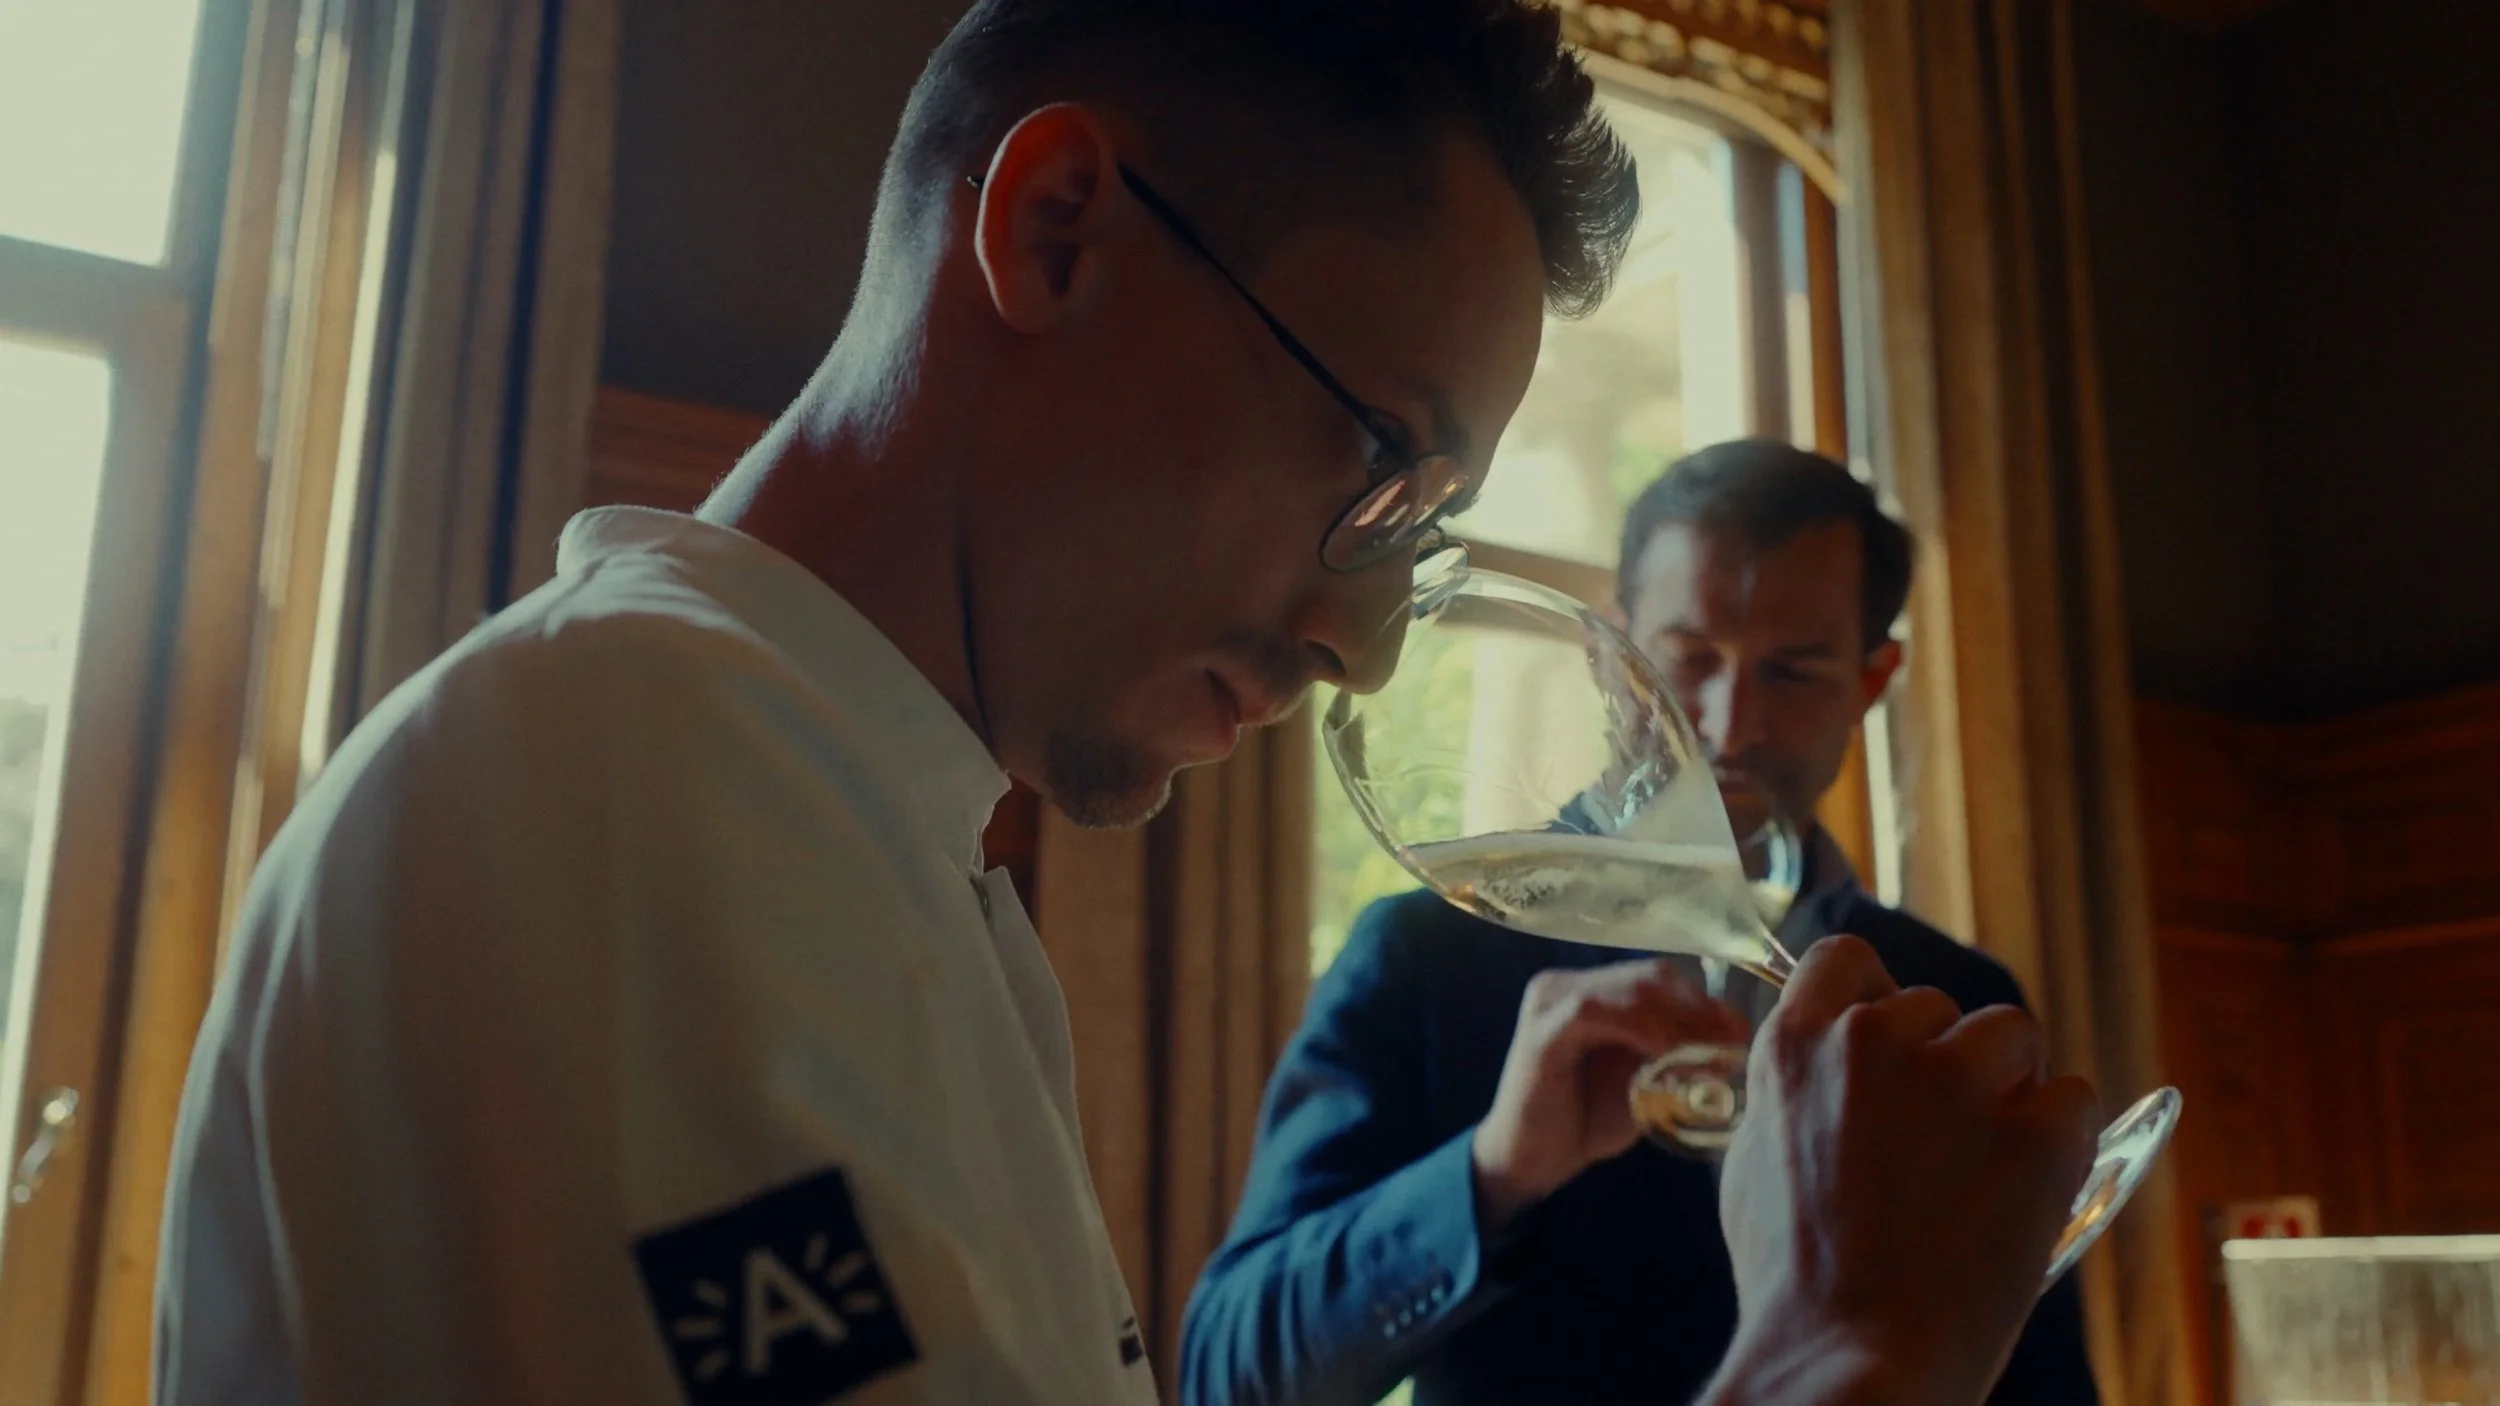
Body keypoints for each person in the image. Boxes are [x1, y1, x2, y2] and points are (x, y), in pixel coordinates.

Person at [150, 0, 2096, 1399]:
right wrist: (1840, 1357)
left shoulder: (895, 866)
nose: (1365, 648)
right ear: (1057, 228)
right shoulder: (629, 776)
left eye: (1419, 532)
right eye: (1378, 471)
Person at [1181, 440, 2100, 1406]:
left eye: (1793, 672)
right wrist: (1493, 1172)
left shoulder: (1956, 998)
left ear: (1871, 684)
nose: (1731, 724)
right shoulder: (1426, 956)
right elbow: (1223, 1373)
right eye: (1690, 659)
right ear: (1611, 659)